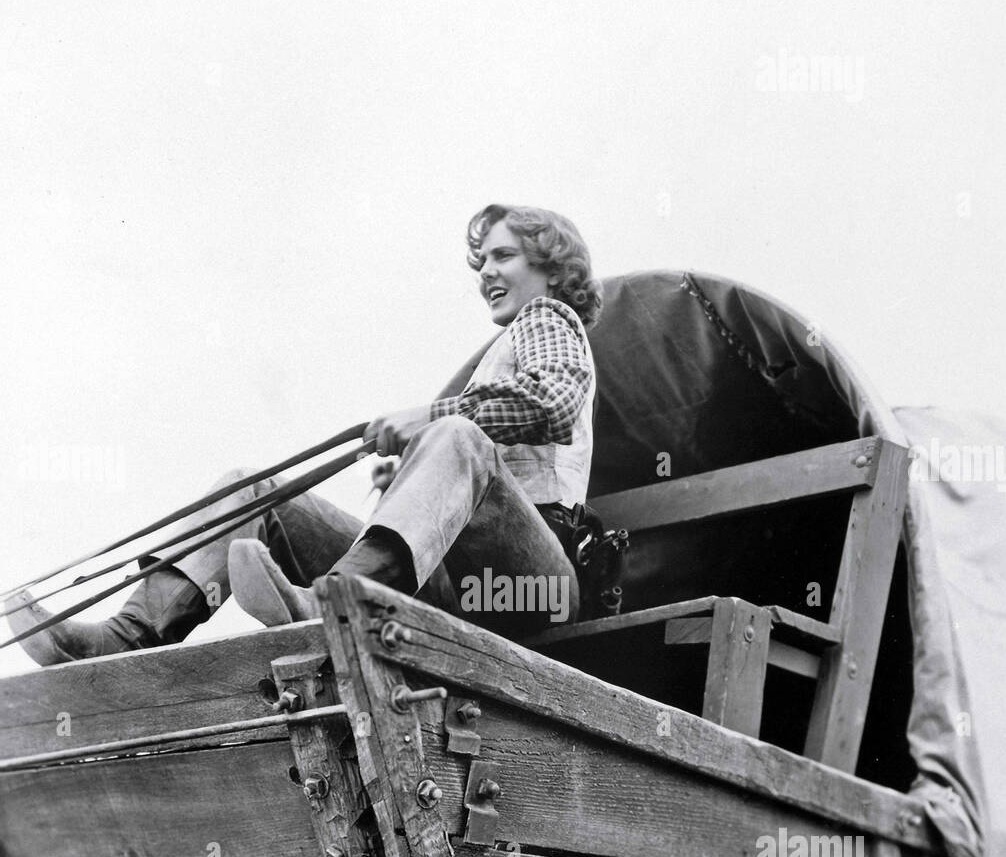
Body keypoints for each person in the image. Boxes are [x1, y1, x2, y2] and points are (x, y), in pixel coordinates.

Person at [5, 204, 602, 666]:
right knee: (251, 489)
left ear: (550, 266)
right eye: (482, 263)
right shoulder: (502, 351)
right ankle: (126, 637)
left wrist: (433, 416)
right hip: (458, 588)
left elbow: (553, 399)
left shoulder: (547, 318)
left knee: (456, 434)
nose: (487, 274)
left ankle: (330, 601)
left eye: (503, 257)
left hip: (527, 592)